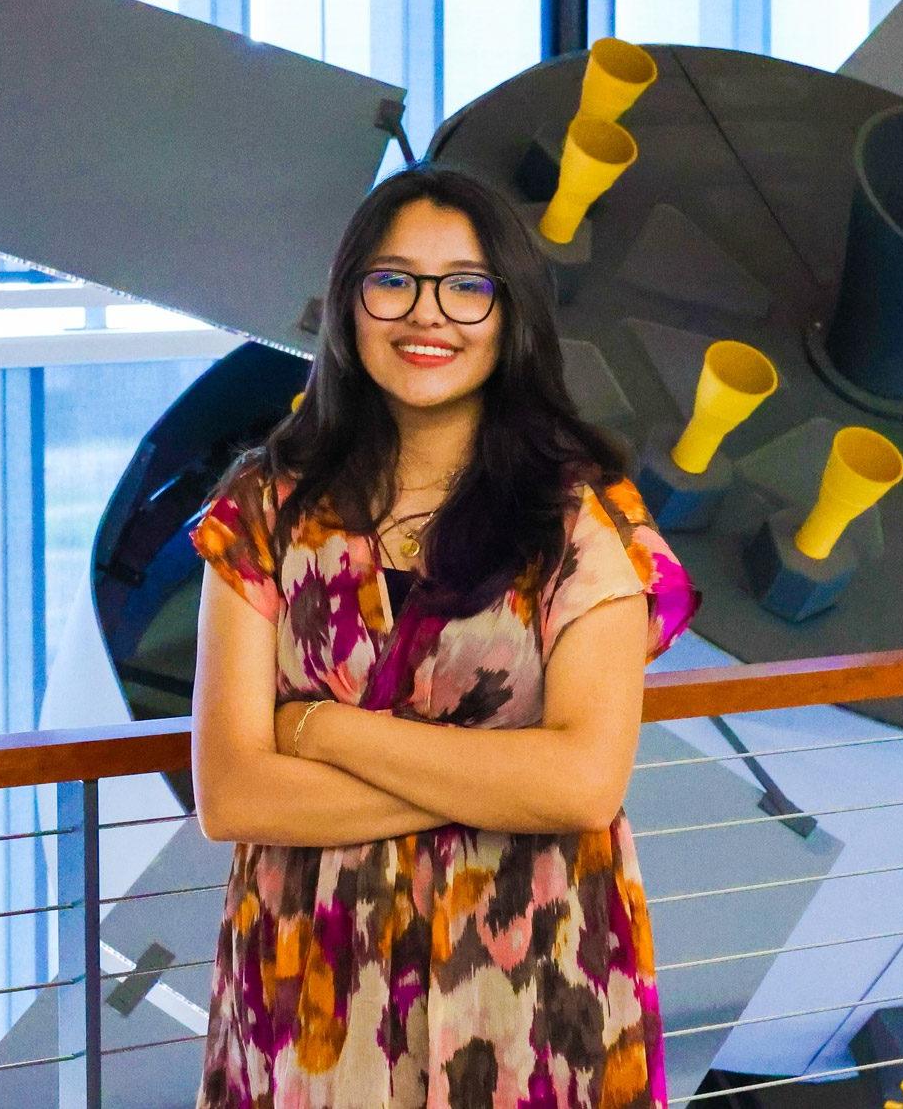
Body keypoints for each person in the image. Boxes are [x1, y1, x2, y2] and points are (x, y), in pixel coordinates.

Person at [187, 163, 700, 1107]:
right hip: (309, 998)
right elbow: (229, 793)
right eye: (394, 282)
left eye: (467, 287)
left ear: (510, 318)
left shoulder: (584, 517)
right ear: (348, 306)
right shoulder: (262, 510)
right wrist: (494, 781)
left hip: (534, 994)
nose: (429, 316)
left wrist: (318, 731)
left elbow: (584, 783)